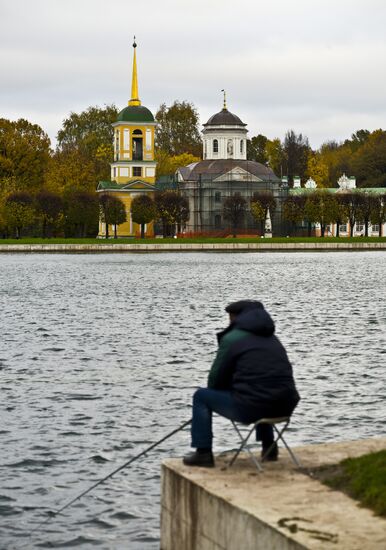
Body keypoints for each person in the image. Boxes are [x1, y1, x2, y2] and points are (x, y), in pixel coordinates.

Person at [183, 300, 300, 467]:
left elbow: (215, 381)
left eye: (230, 318)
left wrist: (227, 388)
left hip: (251, 409)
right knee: (264, 391)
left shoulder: (233, 339)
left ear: (237, 317)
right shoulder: (273, 339)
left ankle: (203, 453)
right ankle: (269, 448)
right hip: (285, 406)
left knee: (201, 396)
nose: (229, 322)